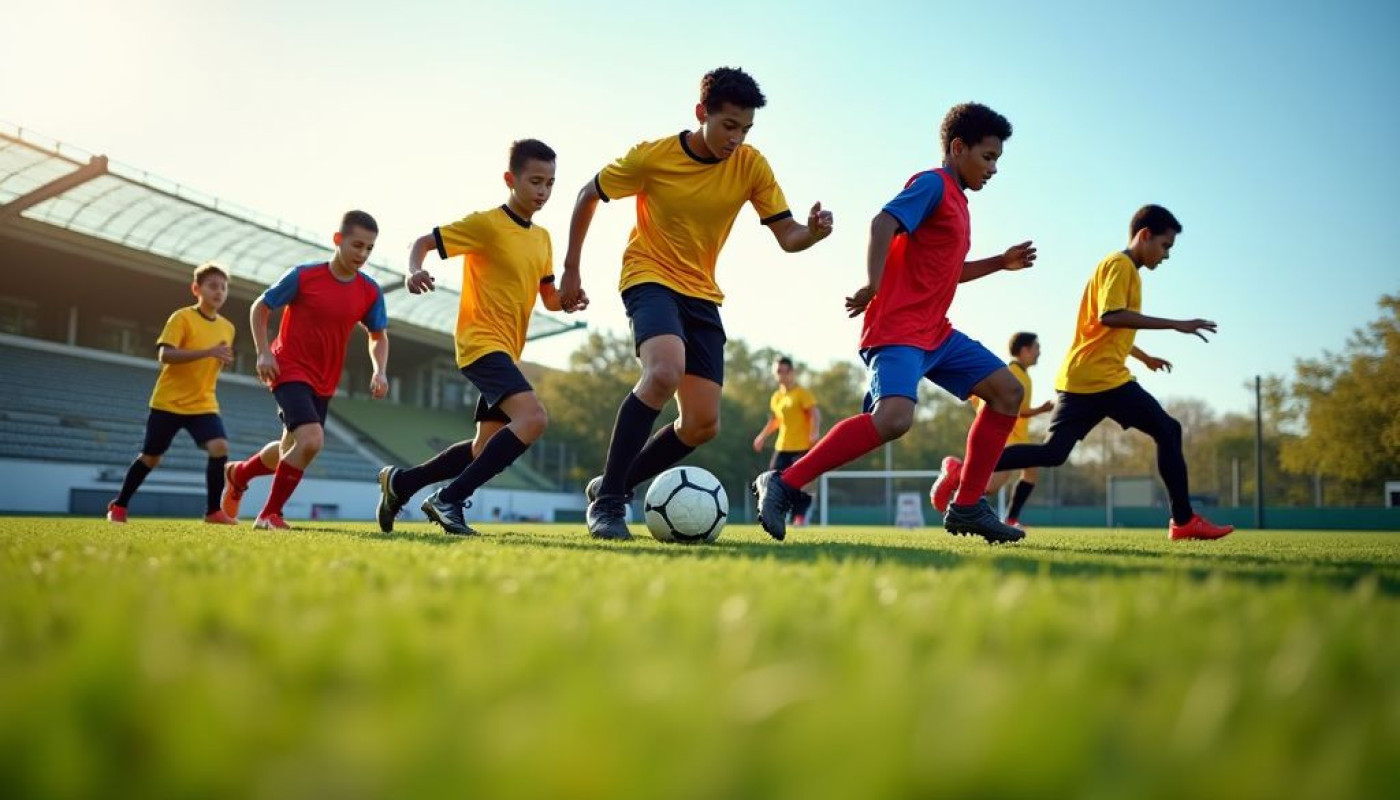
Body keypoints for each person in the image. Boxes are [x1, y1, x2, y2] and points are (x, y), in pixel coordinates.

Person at [558, 66, 834, 540]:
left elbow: (788, 236)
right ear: (701, 113)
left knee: (703, 423)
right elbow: (589, 193)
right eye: (729, 125)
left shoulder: (751, 165)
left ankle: (614, 481)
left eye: (745, 129)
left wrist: (813, 232)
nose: (736, 138)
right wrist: (570, 269)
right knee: (663, 372)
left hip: (702, 292)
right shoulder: (652, 157)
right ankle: (608, 505)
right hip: (648, 276)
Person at [754, 102, 1035, 544]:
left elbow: (950, 270)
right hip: (899, 327)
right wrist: (872, 283)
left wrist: (1001, 263)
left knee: (1008, 392)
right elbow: (882, 221)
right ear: (958, 148)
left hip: (936, 332)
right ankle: (784, 483)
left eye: (998, 159)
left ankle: (966, 506)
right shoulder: (933, 184)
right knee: (894, 419)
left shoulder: (959, 203)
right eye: (988, 157)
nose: (994, 168)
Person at [936, 205, 1234, 541]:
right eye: (1165, 246)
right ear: (1145, 235)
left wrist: (1144, 356)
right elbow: (1111, 316)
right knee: (1168, 429)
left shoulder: (1125, 270)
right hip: (1102, 379)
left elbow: (1106, 329)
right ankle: (1183, 521)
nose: (1165, 256)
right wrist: (1176, 324)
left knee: (1053, 453)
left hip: (1083, 378)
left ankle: (962, 472)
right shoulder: (1121, 265)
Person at [375, 140, 586, 535]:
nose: (543, 191)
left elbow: (548, 297)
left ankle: (400, 484)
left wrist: (568, 301)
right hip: (479, 343)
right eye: (535, 181)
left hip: (506, 351)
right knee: (534, 417)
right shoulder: (486, 224)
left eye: (551, 184)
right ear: (511, 179)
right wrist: (413, 269)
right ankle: (449, 499)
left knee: (481, 448)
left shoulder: (542, 239)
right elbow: (421, 242)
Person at [221, 211, 390, 530]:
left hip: (324, 381)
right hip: (288, 368)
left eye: (369, 248)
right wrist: (263, 352)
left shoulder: (369, 291)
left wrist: (379, 370)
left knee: (289, 447)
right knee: (312, 440)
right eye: (356, 245)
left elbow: (378, 335)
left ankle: (239, 474)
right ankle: (270, 514)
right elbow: (261, 306)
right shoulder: (303, 276)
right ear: (338, 240)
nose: (363, 254)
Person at [106, 262, 238, 525]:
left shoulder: (228, 328)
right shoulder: (182, 318)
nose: (219, 292)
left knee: (220, 447)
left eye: (223, 288)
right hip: (168, 402)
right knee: (151, 457)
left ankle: (213, 512)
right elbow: (165, 354)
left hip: (203, 402)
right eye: (213, 286)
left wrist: (219, 357)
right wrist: (208, 352)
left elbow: (214, 362)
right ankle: (119, 506)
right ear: (196, 289)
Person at [953, 331, 1053, 528]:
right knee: (990, 487)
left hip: (1018, 438)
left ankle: (1010, 519)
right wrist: (1042, 409)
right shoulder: (1014, 374)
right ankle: (956, 476)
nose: (1039, 353)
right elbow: (1018, 410)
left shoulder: (1022, 375)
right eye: (1036, 348)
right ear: (1024, 350)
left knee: (1031, 472)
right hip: (1010, 439)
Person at [752, 356, 820, 525]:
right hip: (782, 446)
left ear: (792, 372)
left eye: (785, 371)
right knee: (772, 481)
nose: (781, 375)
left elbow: (815, 413)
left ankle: (799, 516)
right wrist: (762, 436)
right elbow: (776, 420)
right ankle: (776, 514)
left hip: (801, 446)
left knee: (801, 483)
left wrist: (815, 432)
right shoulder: (776, 397)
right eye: (778, 372)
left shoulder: (802, 393)